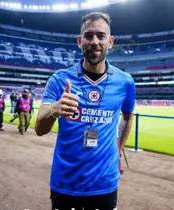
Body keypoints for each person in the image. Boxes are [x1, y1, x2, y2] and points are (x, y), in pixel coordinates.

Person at [35, 12, 135, 210]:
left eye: (101, 35)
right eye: (88, 36)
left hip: (104, 185)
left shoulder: (125, 82)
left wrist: (118, 147)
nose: (94, 41)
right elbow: (39, 128)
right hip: (65, 184)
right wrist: (56, 109)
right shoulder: (59, 79)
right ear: (80, 41)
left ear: (111, 41)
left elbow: (127, 116)